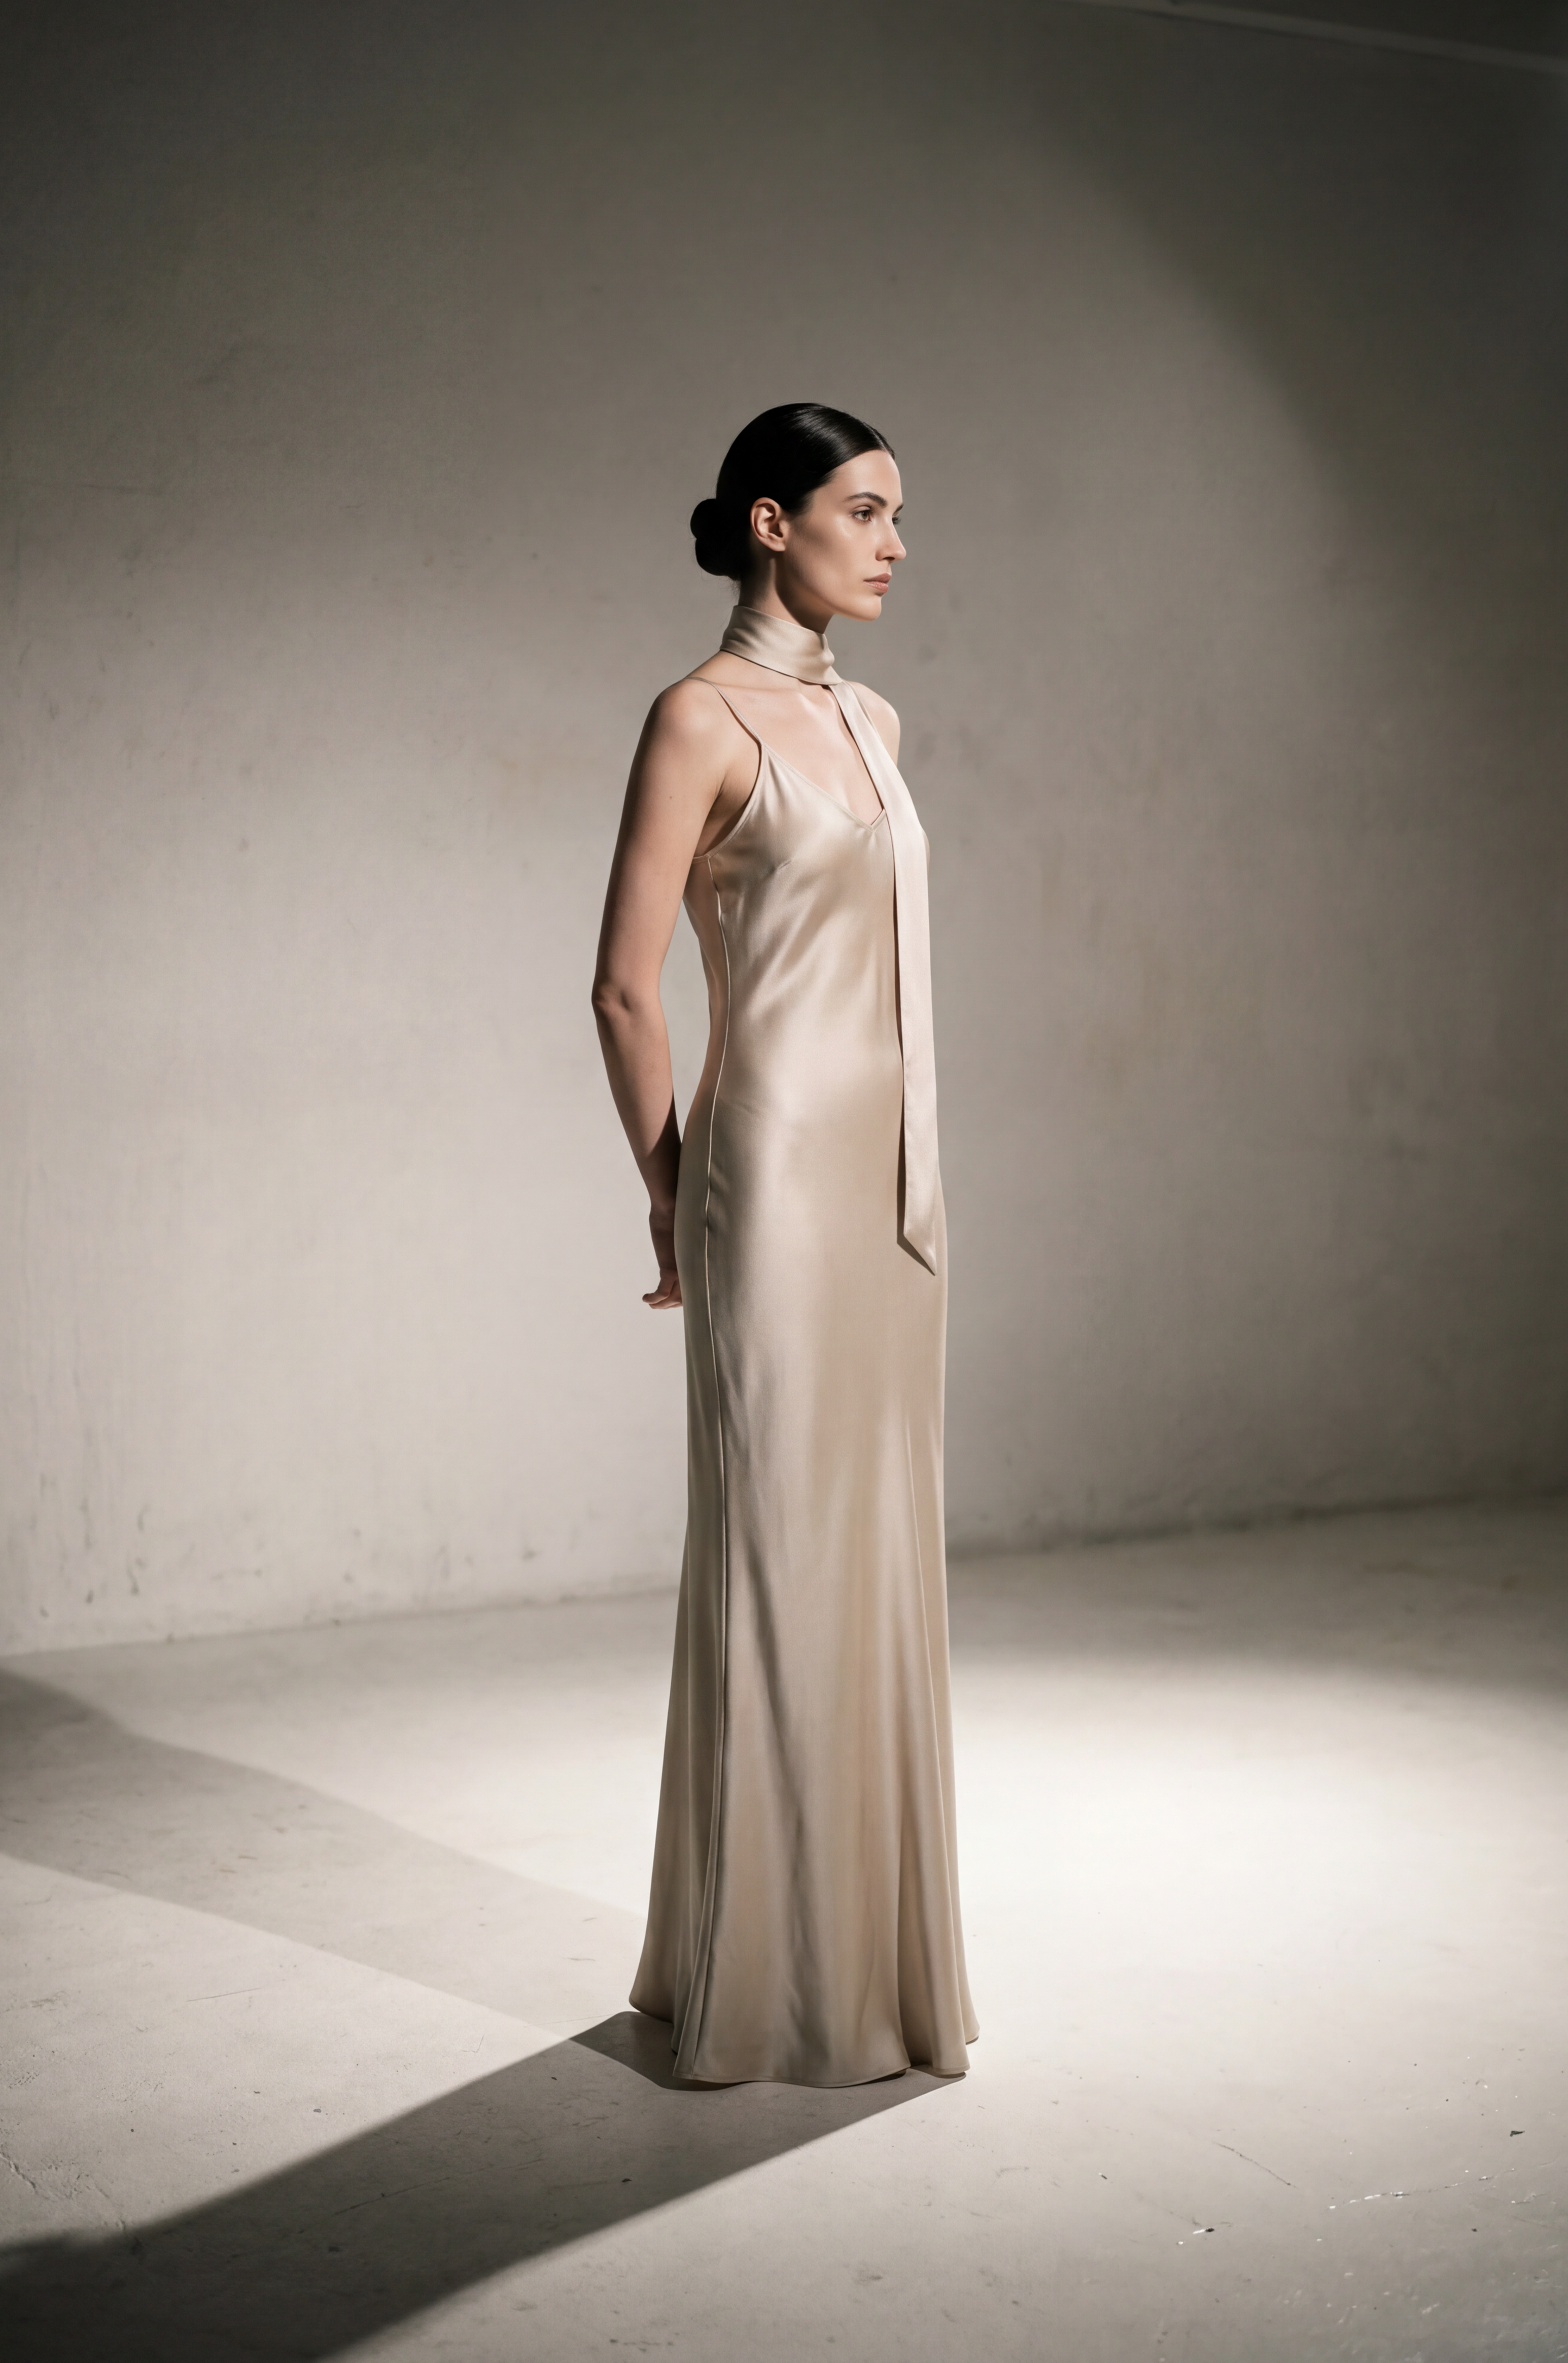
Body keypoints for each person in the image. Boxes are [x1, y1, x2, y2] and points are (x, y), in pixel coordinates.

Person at [591, 403, 977, 2086]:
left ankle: (870, 1975)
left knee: (879, 1557)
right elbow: (623, 982)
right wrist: (669, 1186)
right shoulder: (698, 718)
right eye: (866, 509)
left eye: (901, 513)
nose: (894, 539)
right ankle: (751, 1981)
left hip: (897, 1195)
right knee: (769, 1554)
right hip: (769, 1185)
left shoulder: (877, 717)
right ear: (771, 520)